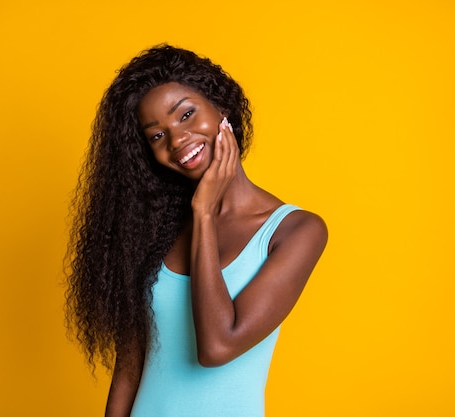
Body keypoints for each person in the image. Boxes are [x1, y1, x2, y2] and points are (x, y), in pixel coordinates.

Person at [65, 44, 327, 417]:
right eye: (157, 136)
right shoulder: (156, 229)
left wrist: (204, 213)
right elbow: (130, 365)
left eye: (187, 114)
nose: (177, 140)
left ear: (221, 108)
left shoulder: (296, 231)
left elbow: (218, 347)